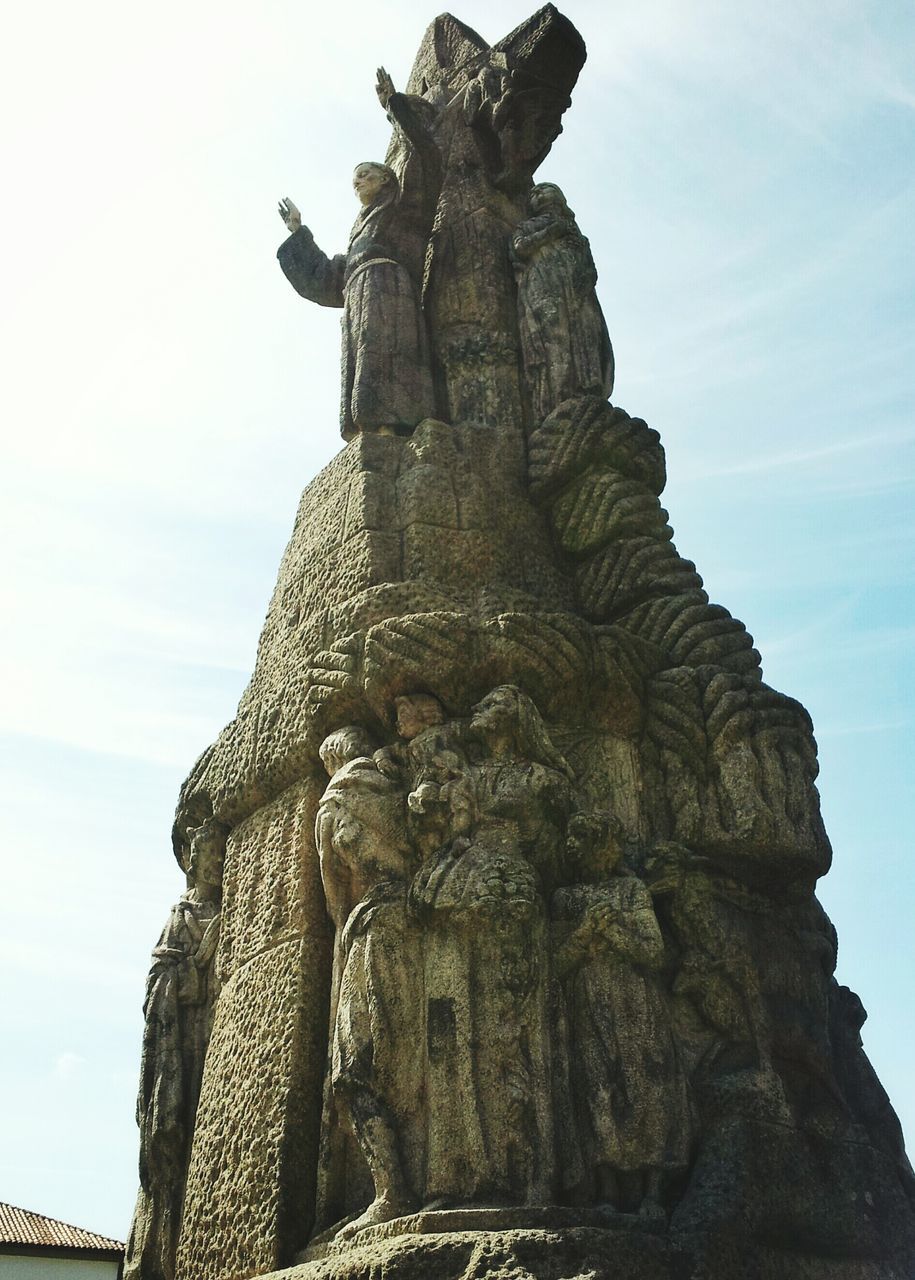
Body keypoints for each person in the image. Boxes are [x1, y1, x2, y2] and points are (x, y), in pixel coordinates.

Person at [277, 70, 439, 439]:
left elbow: (427, 156)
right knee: (363, 355)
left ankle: (395, 424)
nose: (358, 181)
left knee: (388, 350)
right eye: (355, 179)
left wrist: (394, 108)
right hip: (359, 295)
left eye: (366, 174)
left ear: (387, 179)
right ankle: (368, 425)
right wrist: (299, 233)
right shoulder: (359, 235)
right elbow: (329, 279)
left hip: (391, 288)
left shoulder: (404, 209)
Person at [552, 816, 691, 1216]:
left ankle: (653, 1191)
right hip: (588, 1003)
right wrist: (582, 936)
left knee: (647, 1084)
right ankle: (607, 1192)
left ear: (603, 845)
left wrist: (613, 932)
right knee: (597, 1090)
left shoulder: (630, 891)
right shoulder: (563, 900)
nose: (573, 846)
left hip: (635, 1001)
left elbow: (655, 953)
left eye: (583, 837)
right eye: (570, 838)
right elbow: (555, 965)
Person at [125, 817, 226, 1280]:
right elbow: (159, 982)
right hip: (184, 1040)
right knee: (180, 1125)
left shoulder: (232, 903)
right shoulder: (180, 917)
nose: (216, 861)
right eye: (208, 854)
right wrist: (197, 965)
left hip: (217, 1031)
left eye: (221, 854)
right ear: (192, 860)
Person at [511, 182, 614, 421]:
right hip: (544, 289)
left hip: (578, 294)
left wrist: (582, 281)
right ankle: (556, 401)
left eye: (545, 190)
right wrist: (551, 232)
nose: (538, 193)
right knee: (552, 340)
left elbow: (591, 269)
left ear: (560, 198)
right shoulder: (528, 226)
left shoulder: (576, 234)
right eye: (535, 192)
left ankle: (588, 393)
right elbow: (520, 248)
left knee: (586, 335)